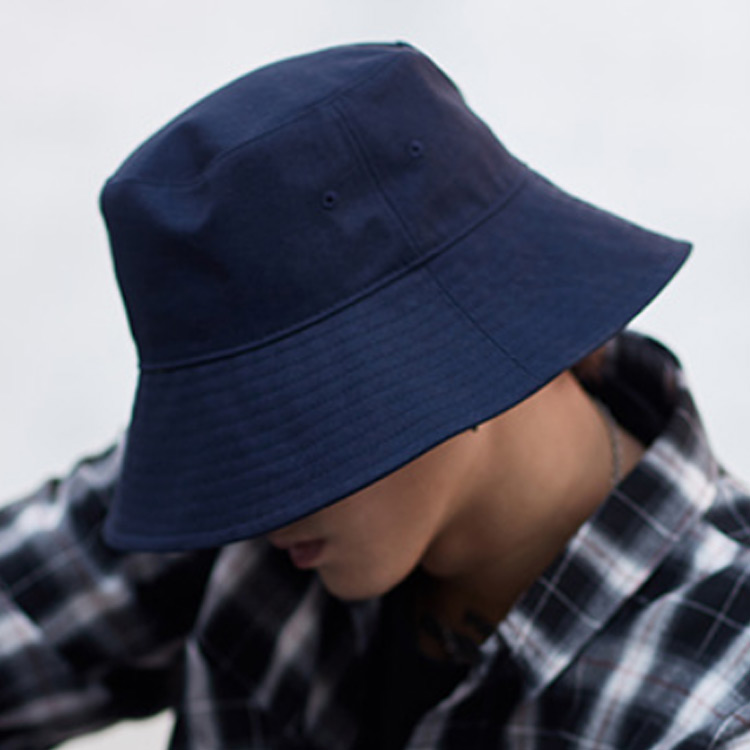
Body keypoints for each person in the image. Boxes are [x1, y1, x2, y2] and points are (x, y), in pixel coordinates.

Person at [1, 40, 749, 750]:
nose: (248, 498)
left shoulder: (716, 706)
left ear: (453, 335)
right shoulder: (249, 494)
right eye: (224, 425)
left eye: (285, 416)